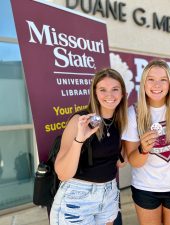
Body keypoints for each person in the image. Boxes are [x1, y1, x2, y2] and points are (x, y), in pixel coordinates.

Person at [50, 68, 128, 225]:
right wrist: (80, 139)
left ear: (122, 93)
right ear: (95, 93)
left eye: (115, 89)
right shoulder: (80, 120)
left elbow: (120, 162)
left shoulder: (120, 120)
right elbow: (63, 174)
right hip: (77, 197)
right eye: (103, 90)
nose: (109, 95)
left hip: (108, 193)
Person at [122, 59, 170, 225]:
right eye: (151, 79)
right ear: (143, 83)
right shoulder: (133, 113)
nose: (157, 85)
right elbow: (133, 161)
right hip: (145, 188)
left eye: (163, 79)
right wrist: (143, 150)